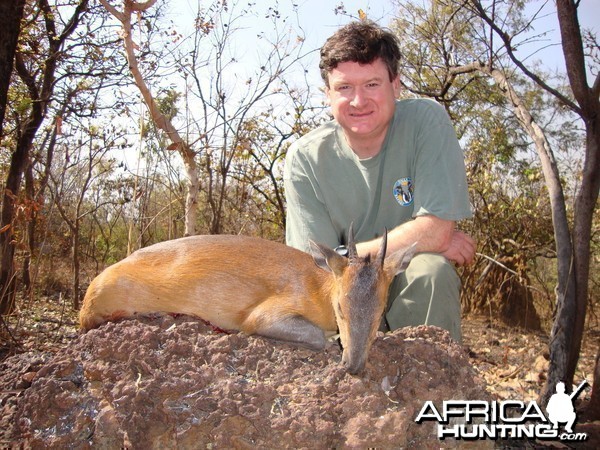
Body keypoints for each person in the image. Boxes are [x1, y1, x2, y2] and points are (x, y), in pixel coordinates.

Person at [283, 20, 476, 342]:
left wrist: (343, 256)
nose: (359, 101)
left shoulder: (425, 122)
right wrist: (423, 239)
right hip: (340, 292)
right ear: (328, 94)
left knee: (431, 272)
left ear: (395, 86)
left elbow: (436, 231)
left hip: (402, 275)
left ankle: (427, 378)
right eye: (344, 88)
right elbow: (312, 267)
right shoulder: (305, 157)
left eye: (372, 84)